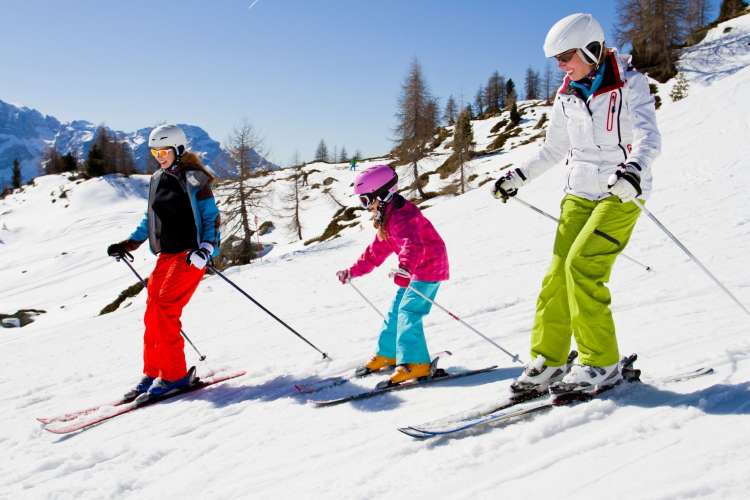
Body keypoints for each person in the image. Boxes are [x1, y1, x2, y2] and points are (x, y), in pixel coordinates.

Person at [493, 13, 661, 395]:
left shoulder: (630, 84)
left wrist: (634, 170)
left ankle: (601, 362)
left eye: (566, 56)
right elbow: (554, 148)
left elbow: (650, 137)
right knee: (556, 276)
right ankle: (549, 360)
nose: (560, 65)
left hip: (621, 191)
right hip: (579, 192)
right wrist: (518, 175)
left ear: (592, 48)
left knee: (582, 267)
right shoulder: (567, 94)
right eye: (556, 59)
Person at [107, 124, 221, 400]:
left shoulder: (195, 179)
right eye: (155, 151)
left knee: (165, 310)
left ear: (179, 150)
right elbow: (151, 217)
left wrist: (206, 249)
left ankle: (174, 376)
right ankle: (154, 371)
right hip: (166, 256)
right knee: (152, 313)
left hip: (189, 256)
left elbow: (212, 218)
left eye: (164, 151)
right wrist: (130, 243)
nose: (159, 156)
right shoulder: (158, 178)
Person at [336, 165, 449, 385]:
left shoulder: (403, 217)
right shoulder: (387, 218)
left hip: (429, 266)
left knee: (409, 310)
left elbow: (412, 243)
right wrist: (352, 271)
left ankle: (416, 363)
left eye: (366, 200)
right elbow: (375, 253)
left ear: (383, 194)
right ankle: (389, 353)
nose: (365, 207)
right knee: (396, 310)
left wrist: (405, 268)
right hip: (413, 270)